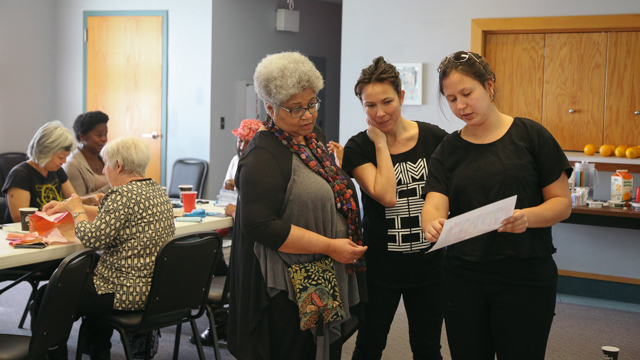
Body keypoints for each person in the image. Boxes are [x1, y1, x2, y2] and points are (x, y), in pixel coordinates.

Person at [421, 51, 572, 360]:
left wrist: (526, 218)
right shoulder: (449, 148)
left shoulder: (531, 136)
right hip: (463, 278)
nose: (460, 106)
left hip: (525, 277)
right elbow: (434, 204)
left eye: (467, 93)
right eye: (451, 99)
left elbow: (561, 203)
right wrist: (431, 223)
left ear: (489, 87)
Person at [227, 51, 367, 360]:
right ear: (269, 107)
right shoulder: (262, 156)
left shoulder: (312, 137)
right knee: (296, 350)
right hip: (286, 282)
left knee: (321, 350)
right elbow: (261, 225)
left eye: (312, 103)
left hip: (319, 270)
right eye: (295, 109)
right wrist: (330, 246)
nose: (307, 115)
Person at [341, 56, 448, 360]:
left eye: (387, 102)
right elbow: (386, 195)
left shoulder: (435, 138)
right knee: (370, 344)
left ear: (402, 97)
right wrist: (379, 143)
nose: (379, 112)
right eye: (369, 105)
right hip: (380, 267)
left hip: (430, 265)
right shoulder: (359, 147)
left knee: (428, 348)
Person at [41, 137, 175, 359]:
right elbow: (110, 216)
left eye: (105, 164)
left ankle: (48, 354)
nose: (104, 170)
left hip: (124, 292)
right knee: (85, 288)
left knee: (50, 292)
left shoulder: (121, 195)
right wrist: (70, 206)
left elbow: (92, 240)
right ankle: (97, 352)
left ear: (118, 166)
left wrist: (76, 211)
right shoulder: (157, 191)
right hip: (154, 291)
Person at [2, 121, 98, 223]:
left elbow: (72, 201)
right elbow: (21, 219)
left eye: (66, 157)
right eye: (60, 157)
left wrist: (90, 199)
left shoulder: (57, 170)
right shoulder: (20, 175)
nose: (64, 161)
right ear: (45, 152)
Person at [64, 111, 110, 196]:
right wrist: (111, 187)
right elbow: (78, 201)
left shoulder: (106, 160)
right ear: (82, 136)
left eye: (105, 134)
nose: (104, 139)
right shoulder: (72, 165)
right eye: (99, 135)